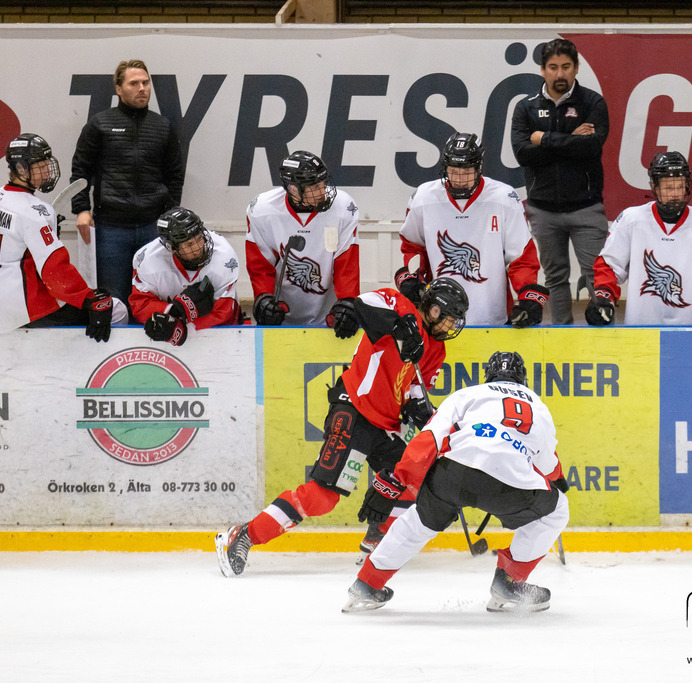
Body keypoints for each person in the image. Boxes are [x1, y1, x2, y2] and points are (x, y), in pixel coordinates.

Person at [215, 278, 469, 577]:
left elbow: (415, 383)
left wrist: (417, 405)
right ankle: (243, 535)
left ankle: (379, 540)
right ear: (434, 310)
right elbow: (360, 304)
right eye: (449, 318)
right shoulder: (398, 304)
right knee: (322, 497)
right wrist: (401, 323)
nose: (450, 327)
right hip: (355, 410)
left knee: (413, 478)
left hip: (387, 425)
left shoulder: (437, 350)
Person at [342, 351, 569, 614]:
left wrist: (396, 480)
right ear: (523, 378)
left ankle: (367, 584)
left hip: (454, 473)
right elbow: (547, 464)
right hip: (510, 484)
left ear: (489, 375)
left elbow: (429, 439)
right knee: (558, 509)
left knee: (417, 522)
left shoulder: (468, 394)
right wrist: (557, 481)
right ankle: (509, 582)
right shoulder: (539, 406)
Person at [0, 133, 125, 340]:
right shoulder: (36, 213)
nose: (47, 171)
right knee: (116, 310)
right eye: (40, 166)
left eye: (47, 164)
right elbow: (53, 270)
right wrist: (87, 298)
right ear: (20, 169)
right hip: (23, 307)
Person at [397, 132, 548, 327]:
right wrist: (412, 277)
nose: (459, 179)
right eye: (453, 171)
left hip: (493, 316)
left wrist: (528, 296)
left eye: (467, 171)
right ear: (444, 168)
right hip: (439, 318)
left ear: (479, 168)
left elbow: (521, 258)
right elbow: (413, 247)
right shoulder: (423, 198)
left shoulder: (504, 198)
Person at [70, 59, 186, 307]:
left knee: (154, 300)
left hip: (153, 229)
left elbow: (175, 175)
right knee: (115, 302)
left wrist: (169, 216)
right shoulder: (99, 124)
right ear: (118, 89)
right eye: (134, 83)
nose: (142, 88)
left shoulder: (162, 127)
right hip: (111, 230)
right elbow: (81, 171)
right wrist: (81, 210)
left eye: (146, 82)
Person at [511, 38, 610, 325]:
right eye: (553, 67)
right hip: (543, 210)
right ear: (542, 70)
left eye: (566, 66)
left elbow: (591, 147)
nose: (560, 74)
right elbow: (523, 154)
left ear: (576, 68)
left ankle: (602, 342)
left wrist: (543, 139)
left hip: (586, 208)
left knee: (597, 278)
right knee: (555, 278)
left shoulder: (593, 103)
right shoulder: (525, 108)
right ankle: (562, 336)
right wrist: (570, 141)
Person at [586, 152, 692, 339]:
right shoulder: (632, 219)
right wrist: (603, 296)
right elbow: (609, 266)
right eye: (669, 187)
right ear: (654, 187)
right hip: (641, 332)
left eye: (680, 186)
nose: (676, 194)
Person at [245, 150, 359, 334]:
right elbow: (260, 266)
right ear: (292, 189)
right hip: (280, 316)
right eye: (314, 188)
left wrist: (347, 302)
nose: (322, 192)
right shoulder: (262, 211)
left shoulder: (343, 207)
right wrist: (263, 299)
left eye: (322, 184)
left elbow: (346, 263)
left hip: (328, 318)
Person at [129, 206, 241, 346]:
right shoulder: (148, 260)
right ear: (172, 247)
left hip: (219, 333)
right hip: (168, 335)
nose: (198, 248)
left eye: (199, 238)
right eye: (189, 244)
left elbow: (223, 311)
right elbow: (140, 305)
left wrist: (185, 328)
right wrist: (173, 313)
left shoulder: (224, 257)